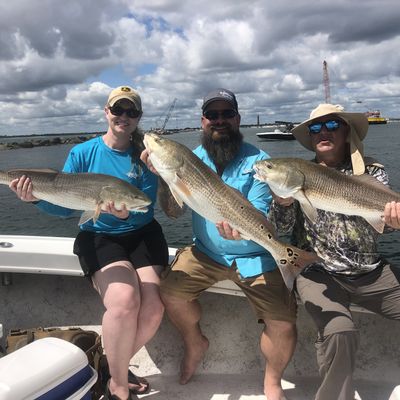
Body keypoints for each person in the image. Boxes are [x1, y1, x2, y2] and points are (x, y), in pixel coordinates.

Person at [9, 86, 169, 400]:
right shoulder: (83, 153)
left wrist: (125, 214)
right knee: (124, 301)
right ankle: (118, 386)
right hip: (99, 236)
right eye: (118, 109)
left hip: (142, 235)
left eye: (132, 111)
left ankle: (110, 366)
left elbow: (146, 202)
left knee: (153, 309)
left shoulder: (144, 155)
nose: (124, 116)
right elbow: (65, 206)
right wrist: (34, 199)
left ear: (138, 117)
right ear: (106, 112)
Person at [142, 88, 297, 400]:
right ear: (203, 121)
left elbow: (263, 216)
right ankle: (195, 342)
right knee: (169, 293)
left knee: (282, 323)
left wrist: (244, 230)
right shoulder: (190, 159)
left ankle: (272, 382)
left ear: (238, 119)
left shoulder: (260, 161)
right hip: (206, 253)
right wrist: (163, 177)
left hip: (256, 255)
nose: (219, 120)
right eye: (212, 115)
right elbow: (173, 212)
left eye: (227, 114)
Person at [268, 103, 400, 400]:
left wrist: (395, 222)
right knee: (339, 331)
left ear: (346, 132)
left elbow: (384, 225)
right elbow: (281, 227)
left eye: (331, 125)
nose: (322, 132)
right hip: (319, 273)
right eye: (315, 128)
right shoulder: (297, 173)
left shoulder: (372, 171)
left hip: (371, 273)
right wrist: (283, 201)